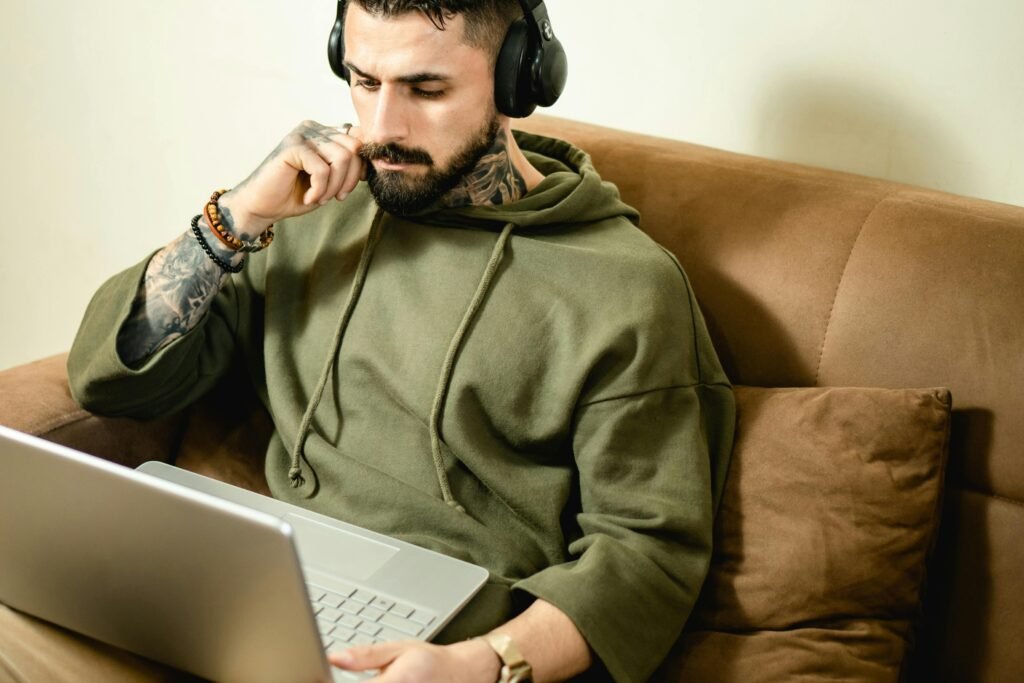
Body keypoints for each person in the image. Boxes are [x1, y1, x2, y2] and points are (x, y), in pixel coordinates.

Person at [9, 1, 735, 681]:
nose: (382, 126)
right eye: (363, 80)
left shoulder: (626, 289)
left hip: (432, 646)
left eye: (425, 89)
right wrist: (238, 215)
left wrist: (483, 662)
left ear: (517, 80)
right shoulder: (313, 209)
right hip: (258, 590)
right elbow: (113, 377)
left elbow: (647, 552)